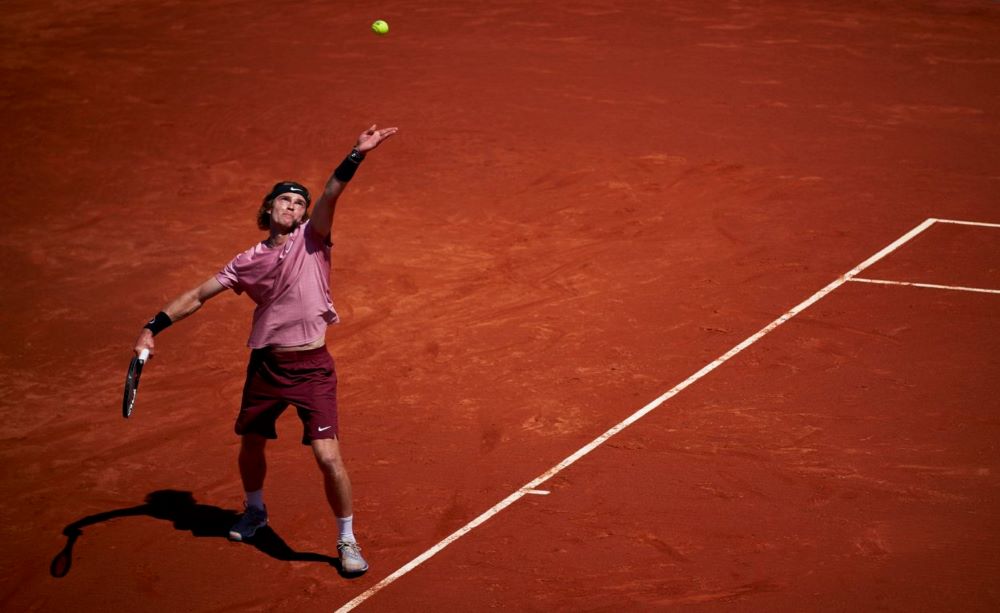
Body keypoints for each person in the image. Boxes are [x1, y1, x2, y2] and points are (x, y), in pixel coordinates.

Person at [132, 124, 398, 575]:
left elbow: (332, 194)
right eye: (285, 199)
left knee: (328, 457)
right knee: (251, 443)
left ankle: (347, 538)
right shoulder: (245, 261)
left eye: (299, 204)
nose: (293, 207)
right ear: (268, 208)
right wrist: (150, 327)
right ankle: (255, 511)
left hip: (312, 367)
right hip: (266, 366)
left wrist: (357, 153)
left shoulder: (313, 240)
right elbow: (198, 296)